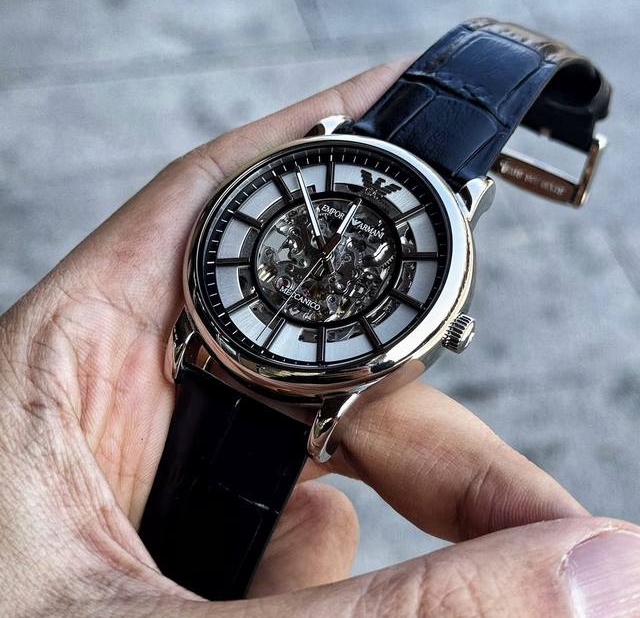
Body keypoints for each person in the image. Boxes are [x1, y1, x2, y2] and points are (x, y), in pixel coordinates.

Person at [1, 61, 638, 618]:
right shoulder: (207, 321)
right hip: (216, 346)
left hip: (264, 366)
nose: (332, 251)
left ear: (449, 325)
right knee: (318, 525)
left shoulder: (436, 212)